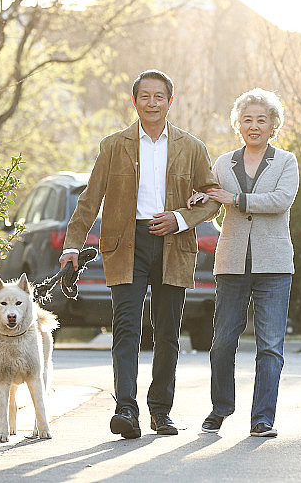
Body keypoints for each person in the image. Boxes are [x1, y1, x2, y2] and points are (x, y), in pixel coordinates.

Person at [60, 69, 221, 439]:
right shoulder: (114, 145)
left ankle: (160, 411)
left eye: (159, 96)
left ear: (169, 101)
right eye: (145, 96)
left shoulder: (191, 146)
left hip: (173, 243)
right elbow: (89, 200)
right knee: (126, 329)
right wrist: (72, 244)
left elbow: (212, 195)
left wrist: (181, 218)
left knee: (167, 333)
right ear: (135, 101)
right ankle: (126, 409)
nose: (152, 102)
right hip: (125, 243)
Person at [187, 88, 299, 437]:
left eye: (261, 120)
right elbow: (214, 201)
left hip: (275, 267)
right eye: (247, 119)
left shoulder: (286, 162)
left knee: (270, 346)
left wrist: (233, 198)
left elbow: (279, 201)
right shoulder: (223, 163)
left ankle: (262, 418)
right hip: (232, 263)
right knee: (221, 342)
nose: (254, 126)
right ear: (238, 124)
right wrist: (201, 198)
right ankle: (221, 408)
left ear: (272, 125)